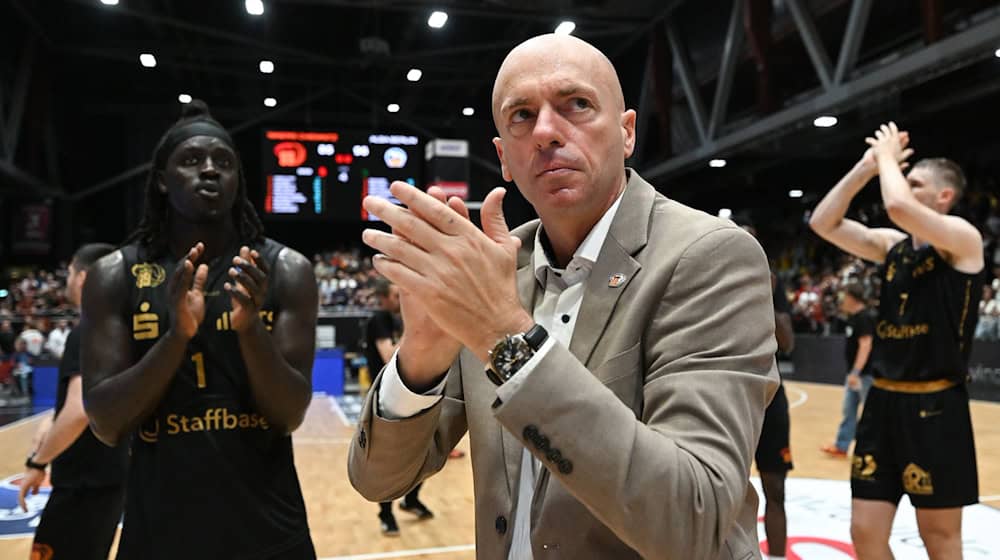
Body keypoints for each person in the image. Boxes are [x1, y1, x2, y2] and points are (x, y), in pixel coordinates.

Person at [348, 34, 779, 559]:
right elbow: (378, 480)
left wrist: (505, 337)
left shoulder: (712, 255)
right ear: (504, 158)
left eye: (577, 104)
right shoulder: (497, 268)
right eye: (522, 115)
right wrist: (423, 350)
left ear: (627, 133)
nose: (547, 131)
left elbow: (690, 518)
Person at [80, 100, 318, 560]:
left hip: (270, 533)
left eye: (223, 162)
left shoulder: (285, 270)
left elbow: (288, 413)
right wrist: (176, 337)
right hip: (159, 535)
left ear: (238, 181)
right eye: (191, 160)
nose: (209, 170)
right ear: (162, 181)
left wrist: (250, 330)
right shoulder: (115, 275)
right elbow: (106, 422)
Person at [809, 122, 983, 559]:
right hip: (883, 404)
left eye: (916, 181)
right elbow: (822, 221)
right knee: (864, 533)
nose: (905, 184)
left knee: (940, 540)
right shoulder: (893, 247)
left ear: (944, 196)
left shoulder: (963, 240)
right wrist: (866, 167)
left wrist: (887, 156)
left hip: (937, 406)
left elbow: (898, 206)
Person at [18, 243, 129, 560]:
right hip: (110, 476)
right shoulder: (121, 328)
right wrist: (53, 419)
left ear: (83, 278)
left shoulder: (88, 331)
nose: (67, 279)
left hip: (83, 484)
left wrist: (37, 462)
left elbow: (80, 411)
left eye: (68, 272)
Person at [735, 217, 796, 560]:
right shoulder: (704, 280)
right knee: (723, 488)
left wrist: (766, 295)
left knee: (775, 489)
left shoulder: (773, 284)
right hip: (728, 396)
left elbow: (787, 344)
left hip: (770, 398)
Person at [364, 277, 434, 536]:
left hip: (407, 393)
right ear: (383, 298)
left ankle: (411, 499)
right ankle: (385, 513)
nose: (399, 300)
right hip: (386, 398)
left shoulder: (392, 319)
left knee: (426, 453)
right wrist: (414, 331)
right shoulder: (380, 318)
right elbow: (388, 355)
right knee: (391, 462)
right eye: (395, 295)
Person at [821, 282, 875, 457]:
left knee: (871, 414)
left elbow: (866, 345)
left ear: (852, 297)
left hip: (864, 376)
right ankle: (842, 446)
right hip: (855, 375)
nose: (842, 300)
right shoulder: (854, 318)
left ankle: (875, 450)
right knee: (849, 411)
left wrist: (856, 373)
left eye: (845, 296)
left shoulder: (865, 317)